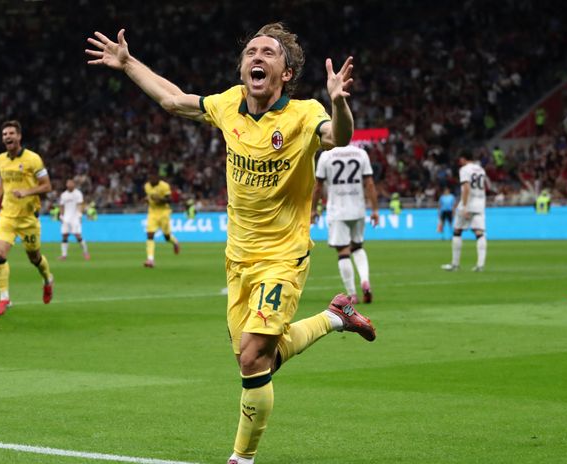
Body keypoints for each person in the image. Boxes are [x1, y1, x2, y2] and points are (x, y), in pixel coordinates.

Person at [87, 23, 376, 464]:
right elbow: (173, 99)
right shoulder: (226, 104)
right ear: (243, 67)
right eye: (251, 51)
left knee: (253, 354)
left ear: (286, 72)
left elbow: (340, 137)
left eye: (269, 53)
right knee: (257, 358)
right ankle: (335, 317)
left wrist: (339, 104)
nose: (257, 57)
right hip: (238, 258)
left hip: (283, 255)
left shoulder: (304, 114)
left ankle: (242, 458)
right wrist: (127, 63)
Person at [0, 120, 54, 317]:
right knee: (0, 254)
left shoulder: (34, 159)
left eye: (11, 133)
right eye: (4, 134)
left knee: (35, 258)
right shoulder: (1, 159)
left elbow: (47, 186)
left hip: (28, 218)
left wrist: (27, 192)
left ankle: (48, 279)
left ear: (19, 137)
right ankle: (4, 298)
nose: (7, 137)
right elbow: (3, 181)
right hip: (7, 215)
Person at [312, 144, 379, 304]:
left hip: (337, 210)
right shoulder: (361, 153)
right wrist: (375, 209)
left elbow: (318, 187)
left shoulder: (326, 156)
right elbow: (369, 184)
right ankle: (365, 281)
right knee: (357, 246)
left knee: (343, 251)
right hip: (358, 209)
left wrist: (313, 209)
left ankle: (352, 294)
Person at [442, 153, 488, 271]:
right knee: (479, 233)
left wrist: (464, 206)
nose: (459, 161)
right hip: (480, 203)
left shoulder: (464, 169)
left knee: (457, 231)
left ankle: (455, 264)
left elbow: (466, 187)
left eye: (460, 159)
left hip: (468, 202)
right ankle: (480, 265)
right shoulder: (481, 169)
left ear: (463, 158)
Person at [143, 170, 179, 268]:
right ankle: (150, 259)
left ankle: (175, 242)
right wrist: (147, 200)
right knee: (150, 234)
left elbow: (169, 200)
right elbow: (149, 197)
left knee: (166, 237)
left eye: (153, 178)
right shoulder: (147, 186)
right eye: (150, 178)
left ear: (158, 178)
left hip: (164, 213)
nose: (151, 180)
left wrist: (160, 200)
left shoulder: (164, 186)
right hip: (152, 213)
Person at [58, 179, 90, 261]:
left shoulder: (78, 193)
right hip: (66, 218)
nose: (69, 185)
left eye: (71, 183)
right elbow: (61, 206)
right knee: (64, 235)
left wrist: (79, 215)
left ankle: (85, 252)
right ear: (66, 185)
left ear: (74, 184)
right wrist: (61, 215)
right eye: (68, 183)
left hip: (75, 218)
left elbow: (80, 204)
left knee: (78, 235)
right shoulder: (64, 195)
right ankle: (64, 255)